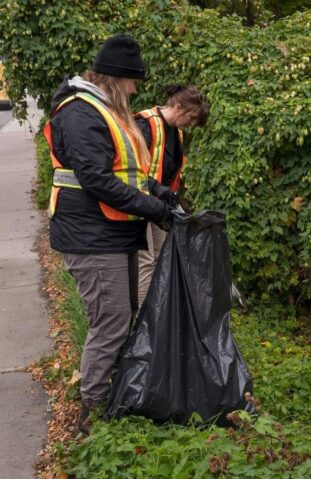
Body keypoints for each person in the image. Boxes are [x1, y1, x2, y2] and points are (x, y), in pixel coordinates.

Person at [44, 34, 175, 434]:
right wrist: (152, 208)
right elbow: (96, 178)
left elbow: (126, 172)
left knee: (123, 315)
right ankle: (93, 411)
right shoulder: (81, 113)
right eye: (133, 83)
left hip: (113, 230)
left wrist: (156, 191)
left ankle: (112, 391)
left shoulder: (106, 112)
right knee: (112, 321)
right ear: (116, 79)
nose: (136, 91)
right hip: (91, 234)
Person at [135, 85, 209, 306]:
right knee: (145, 262)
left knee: (159, 258)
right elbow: (131, 171)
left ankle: (160, 314)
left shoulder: (176, 132)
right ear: (178, 107)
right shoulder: (146, 124)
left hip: (157, 207)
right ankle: (144, 321)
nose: (191, 124)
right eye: (192, 117)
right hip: (138, 203)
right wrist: (157, 189)